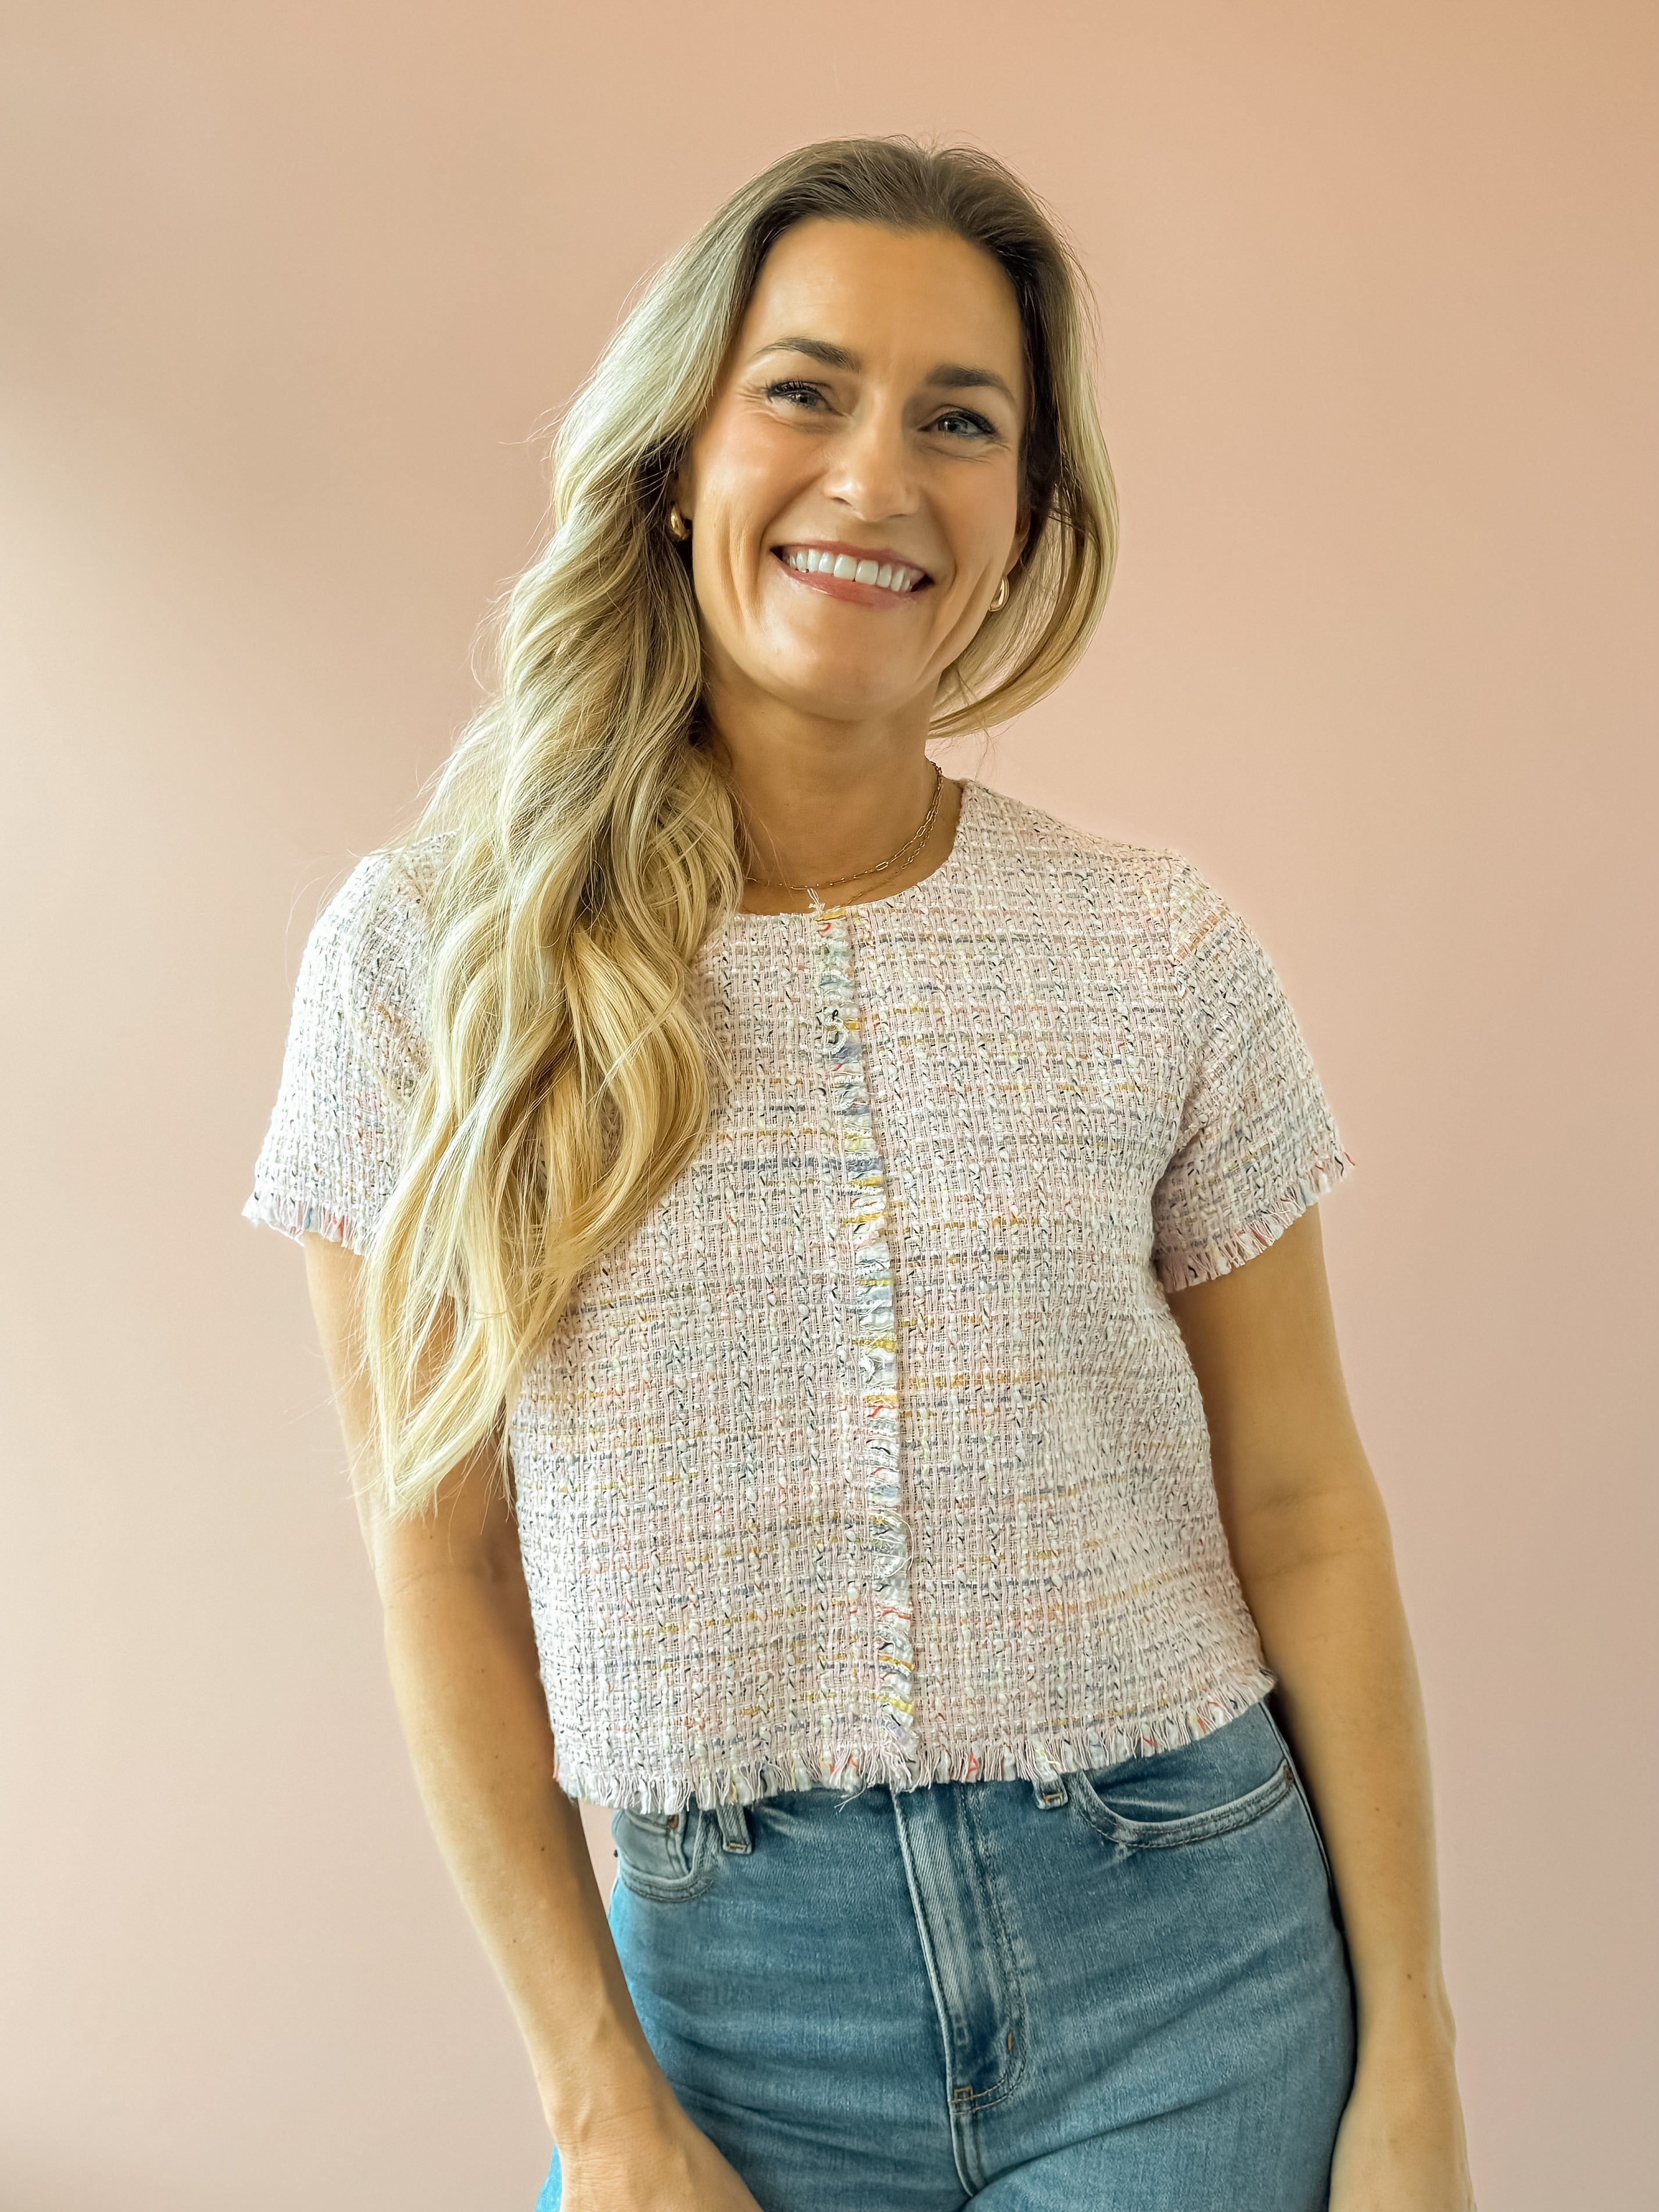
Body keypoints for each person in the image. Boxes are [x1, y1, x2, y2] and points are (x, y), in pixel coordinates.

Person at [244, 137, 1475, 2212]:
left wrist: (1415, 2062)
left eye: (960, 421)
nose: (877, 475)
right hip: (727, 2025)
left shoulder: (1157, 952)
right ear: (676, 460)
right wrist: (599, 2112)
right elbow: (437, 1568)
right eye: (804, 390)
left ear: (1026, 518)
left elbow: (1304, 1506)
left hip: (1193, 1973)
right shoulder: (430, 963)